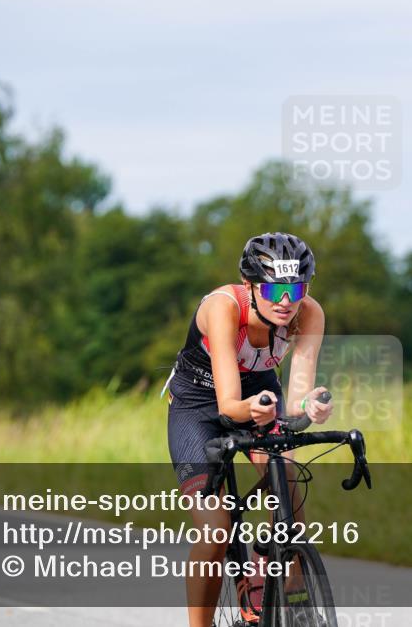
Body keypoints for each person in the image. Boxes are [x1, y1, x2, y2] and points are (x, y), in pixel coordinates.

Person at [163, 231, 333, 627]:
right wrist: (252, 410)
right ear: (250, 285)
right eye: (274, 289)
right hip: (198, 406)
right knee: (216, 529)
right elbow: (229, 405)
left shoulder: (310, 313)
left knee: (288, 482)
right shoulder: (223, 308)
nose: (287, 301)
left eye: (297, 288)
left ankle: (295, 602)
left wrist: (311, 406)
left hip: (260, 393)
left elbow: (298, 397)